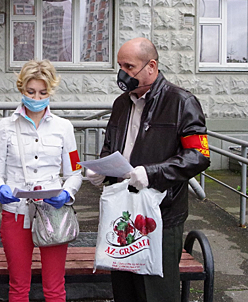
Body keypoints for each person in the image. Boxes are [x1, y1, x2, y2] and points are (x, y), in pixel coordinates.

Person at [86, 38, 211, 302]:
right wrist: (102, 170)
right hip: (123, 213)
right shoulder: (121, 104)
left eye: (129, 66)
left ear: (151, 66)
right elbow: (112, 147)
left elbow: (199, 155)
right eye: (120, 66)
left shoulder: (181, 102)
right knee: (125, 290)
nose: (123, 73)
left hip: (160, 216)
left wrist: (153, 173)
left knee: (156, 293)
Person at [0, 59, 83, 302]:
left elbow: (75, 171)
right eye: (31, 92)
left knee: (55, 286)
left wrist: (66, 193)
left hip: (53, 212)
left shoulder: (64, 127)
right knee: (18, 286)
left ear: (50, 91)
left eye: (43, 92)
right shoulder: (5, 127)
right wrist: (0, 188)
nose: (37, 97)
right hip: (16, 212)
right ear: (22, 89)